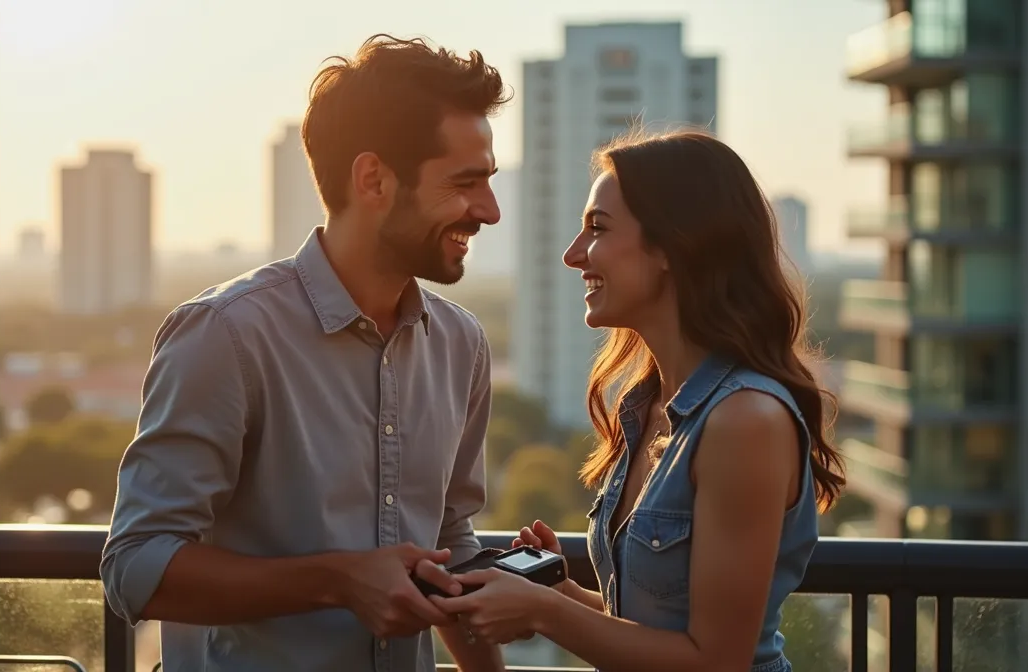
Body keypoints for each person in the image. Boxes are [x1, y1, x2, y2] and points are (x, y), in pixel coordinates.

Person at [100, 34, 511, 672]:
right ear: (373, 178)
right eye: (466, 182)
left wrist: (508, 584)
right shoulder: (225, 334)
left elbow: (449, 544)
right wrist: (339, 580)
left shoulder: (463, 344)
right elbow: (137, 566)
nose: (489, 210)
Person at [430, 128, 846, 672]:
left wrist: (546, 612)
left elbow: (715, 662)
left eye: (597, 229)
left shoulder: (745, 420)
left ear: (674, 245)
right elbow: (657, 630)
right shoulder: (646, 408)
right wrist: (553, 596)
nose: (573, 255)